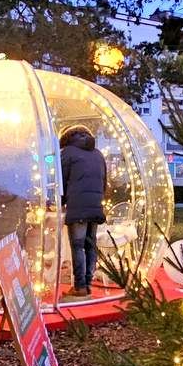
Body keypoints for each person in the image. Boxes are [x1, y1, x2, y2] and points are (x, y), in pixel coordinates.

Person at [59, 125, 107, 298]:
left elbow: (61, 182)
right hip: (95, 205)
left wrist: (60, 202)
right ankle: (87, 283)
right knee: (90, 244)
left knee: (78, 245)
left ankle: (79, 286)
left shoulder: (67, 153)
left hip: (77, 206)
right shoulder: (98, 154)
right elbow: (104, 182)